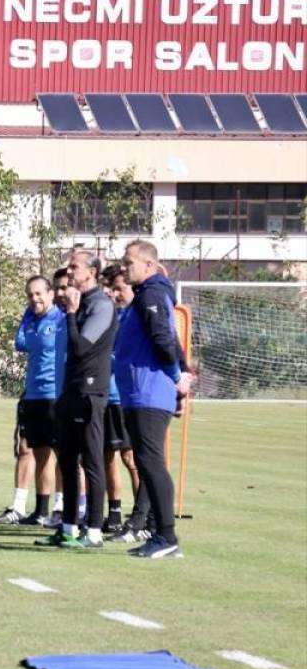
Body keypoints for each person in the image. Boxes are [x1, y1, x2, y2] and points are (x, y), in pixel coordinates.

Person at [115, 240, 192, 559]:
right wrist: (183, 372)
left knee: (150, 462)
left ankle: (166, 536)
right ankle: (160, 535)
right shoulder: (145, 295)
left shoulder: (152, 293)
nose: (123, 267)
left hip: (148, 392)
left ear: (149, 265)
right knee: (146, 462)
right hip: (138, 393)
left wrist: (177, 377)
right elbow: (169, 339)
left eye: (129, 262)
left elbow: (164, 338)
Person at [46, 249, 118, 549]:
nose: (69, 271)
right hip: (71, 391)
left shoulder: (100, 304)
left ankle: (95, 531)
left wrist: (72, 314)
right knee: (67, 461)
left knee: (92, 461)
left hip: (90, 393)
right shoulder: (78, 303)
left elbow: (80, 348)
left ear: (92, 272)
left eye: (74, 267)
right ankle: (69, 528)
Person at [0, 276, 65, 525]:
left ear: (51, 294)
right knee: (36, 451)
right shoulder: (32, 321)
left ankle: (61, 508)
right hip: (33, 395)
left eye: (38, 294)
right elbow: (20, 343)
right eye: (30, 295)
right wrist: (27, 315)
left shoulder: (62, 319)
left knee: (62, 454)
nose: (34, 299)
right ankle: (39, 510)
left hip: (56, 395)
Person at [100, 264, 142, 536]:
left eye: (117, 288)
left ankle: (142, 514)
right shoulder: (109, 316)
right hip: (103, 397)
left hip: (122, 397)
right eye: (108, 288)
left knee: (130, 457)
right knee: (107, 457)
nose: (113, 294)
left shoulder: (132, 317)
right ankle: (114, 513)